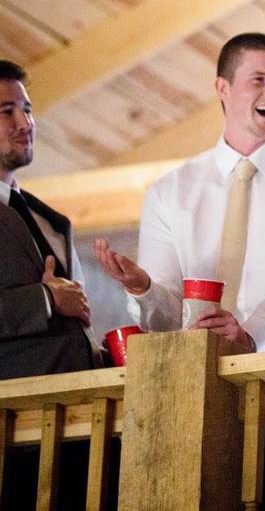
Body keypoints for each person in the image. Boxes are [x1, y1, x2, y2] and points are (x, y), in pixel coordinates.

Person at [93, 33, 265, 511]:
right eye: (259, 79)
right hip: (191, 389)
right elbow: (170, 316)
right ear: (222, 88)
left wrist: (249, 338)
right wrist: (144, 289)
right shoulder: (170, 192)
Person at [0, 59, 108, 508]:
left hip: (80, 427)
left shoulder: (49, 219)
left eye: (27, 109)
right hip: (12, 433)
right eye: (6, 111)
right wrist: (45, 298)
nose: (25, 123)